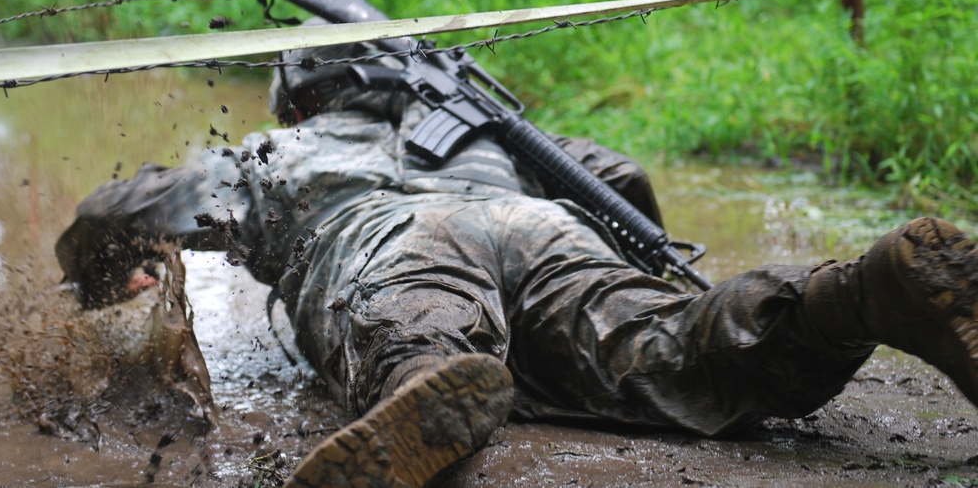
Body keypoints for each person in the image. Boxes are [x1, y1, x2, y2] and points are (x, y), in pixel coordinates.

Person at [56, 32, 978, 488]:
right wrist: (619, 271)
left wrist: (107, 275)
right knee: (665, 350)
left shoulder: (268, 155)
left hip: (380, 240)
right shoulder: (482, 130)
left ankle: (430, 378)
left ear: (300, 103)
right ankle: (855, 296)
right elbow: (618, 174)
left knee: (415, 312)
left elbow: (111, 210)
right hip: (535, 226)